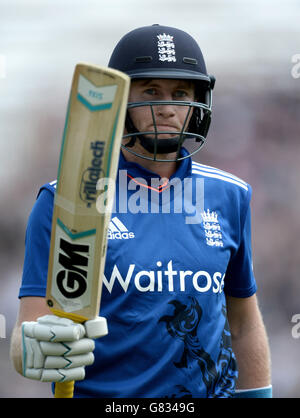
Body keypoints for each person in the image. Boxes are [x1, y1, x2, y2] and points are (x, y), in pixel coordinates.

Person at [10, 24, 272, 398]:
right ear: (120, 101)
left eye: (180, 93)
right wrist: (32, 350)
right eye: (151, 91)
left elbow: (243, 321)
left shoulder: (229, 195)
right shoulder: (64, 201)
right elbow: (29, 327)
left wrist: (259, 396)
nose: (167, 107)